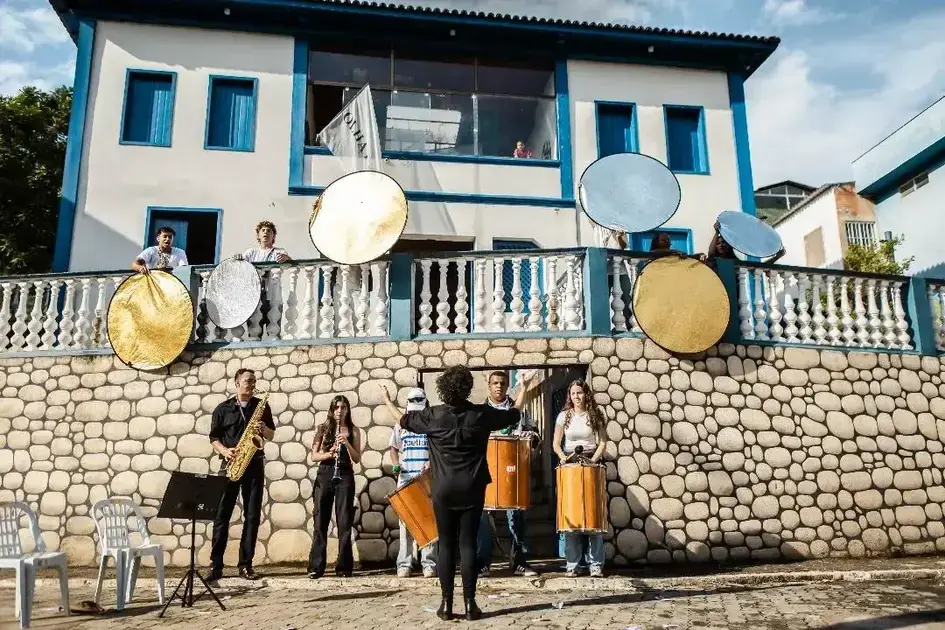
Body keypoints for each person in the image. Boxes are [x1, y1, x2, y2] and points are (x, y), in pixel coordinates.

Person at [381, 367, 520, 622]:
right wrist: (524, 391)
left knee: (445, 544)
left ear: (443, 389)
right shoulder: (480, 414)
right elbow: (512, 415)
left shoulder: (433, 416)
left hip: (443, 489)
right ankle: (470, 604)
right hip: (472, 487)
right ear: (467, 388)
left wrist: (387, 400)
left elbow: (402, 419)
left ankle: (445, 604)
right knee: (467, 544)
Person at [206, 368, 275, 582]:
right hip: (230, 465)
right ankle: (216, 565)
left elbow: (271, 435)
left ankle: (246, 565)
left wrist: (264, 429)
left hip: (254, 464)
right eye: (247, 381)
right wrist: (225, 451)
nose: (252, 384)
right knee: (221, 516)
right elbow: (214, 438)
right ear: (237, 383)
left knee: (252, 516)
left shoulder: (261, 406)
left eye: (254, 381)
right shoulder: (222, 409)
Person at [476, 371, 538, 578]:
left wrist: (530, 436)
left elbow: (534, 434)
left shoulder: (520, 409)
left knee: (517, 517)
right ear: (489, 386)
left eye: (502, 383)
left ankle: (518, 562)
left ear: (507, 385)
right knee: (484, 519)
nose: (499, 386)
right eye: (495, 383)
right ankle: (483, 563)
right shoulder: (481, 412)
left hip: (513, 473)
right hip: (487, 473)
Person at [552, 379, 607, 578]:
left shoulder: (595, 415)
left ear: (586, 394)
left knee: (593, 516)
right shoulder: (563, 416)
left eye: (580, 393)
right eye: (573, 393)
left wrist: (593, 461)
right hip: (570, 464)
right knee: (571, 517)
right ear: (570, 396)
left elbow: (603, 442)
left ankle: (595, 565)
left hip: (591, 463)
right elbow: (556, 444)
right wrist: (563, 458)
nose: (577, 397)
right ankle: (572, 565)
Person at [307, 395, 362, 579]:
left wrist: (346, 443)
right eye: (337, 407)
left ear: (348, 409)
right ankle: (316, 566)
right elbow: (314, 456)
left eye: (343, 407)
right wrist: (329, 453)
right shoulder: (323, 429)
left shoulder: (354, 430)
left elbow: (357, 458)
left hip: (345, 473)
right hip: (325, 472)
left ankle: (344, 566)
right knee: (320, 519)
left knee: (345, 520)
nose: (340, 410)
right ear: (332, 410)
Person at [385, 387, 438, 578]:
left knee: (428, 520)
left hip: (427, 480)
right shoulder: (400, 425)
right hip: (406, 478)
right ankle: (404, 563)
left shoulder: (431, 424)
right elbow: (393, 447)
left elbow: (437, 449)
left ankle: (429, 563)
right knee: (405, 522)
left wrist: (431, 462)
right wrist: (396, 463)